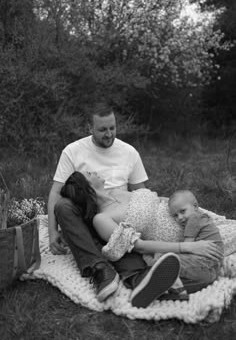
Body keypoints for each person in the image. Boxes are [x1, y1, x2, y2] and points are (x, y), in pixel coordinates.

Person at [48, 103, 181, 308]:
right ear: (89, 128)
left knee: (119, 234)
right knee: (64, 206)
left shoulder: (128, 152)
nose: (109, 134)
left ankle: (140, 279)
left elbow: (141, 193)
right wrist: (52, 231)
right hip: (85, 212)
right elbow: (55, 193)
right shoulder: (73, 151)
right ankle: (99, 268)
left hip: (120, 215)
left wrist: (161, 210)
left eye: (112, 128)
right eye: (102, 129)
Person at [61, 171, 224, 301]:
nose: (94, 171)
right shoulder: (101, 218)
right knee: (197, 271)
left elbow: (161, 200)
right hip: (185, 249)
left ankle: (173, 286)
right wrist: (188, 246)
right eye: (89, 174)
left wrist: (198, 214)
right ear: (87, 187)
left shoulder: (119, 192)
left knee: (212, 262)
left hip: (197, 231)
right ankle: (165, 287)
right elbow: (138, 246)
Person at [168, 190, 224, 283]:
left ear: (195, 206)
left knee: (167, 259)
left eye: (182, 211)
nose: (180, 217)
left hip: (204, 265)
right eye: (175, 215)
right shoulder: (203, 217)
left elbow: (187, 245)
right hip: (212, 267)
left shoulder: (193, 219)